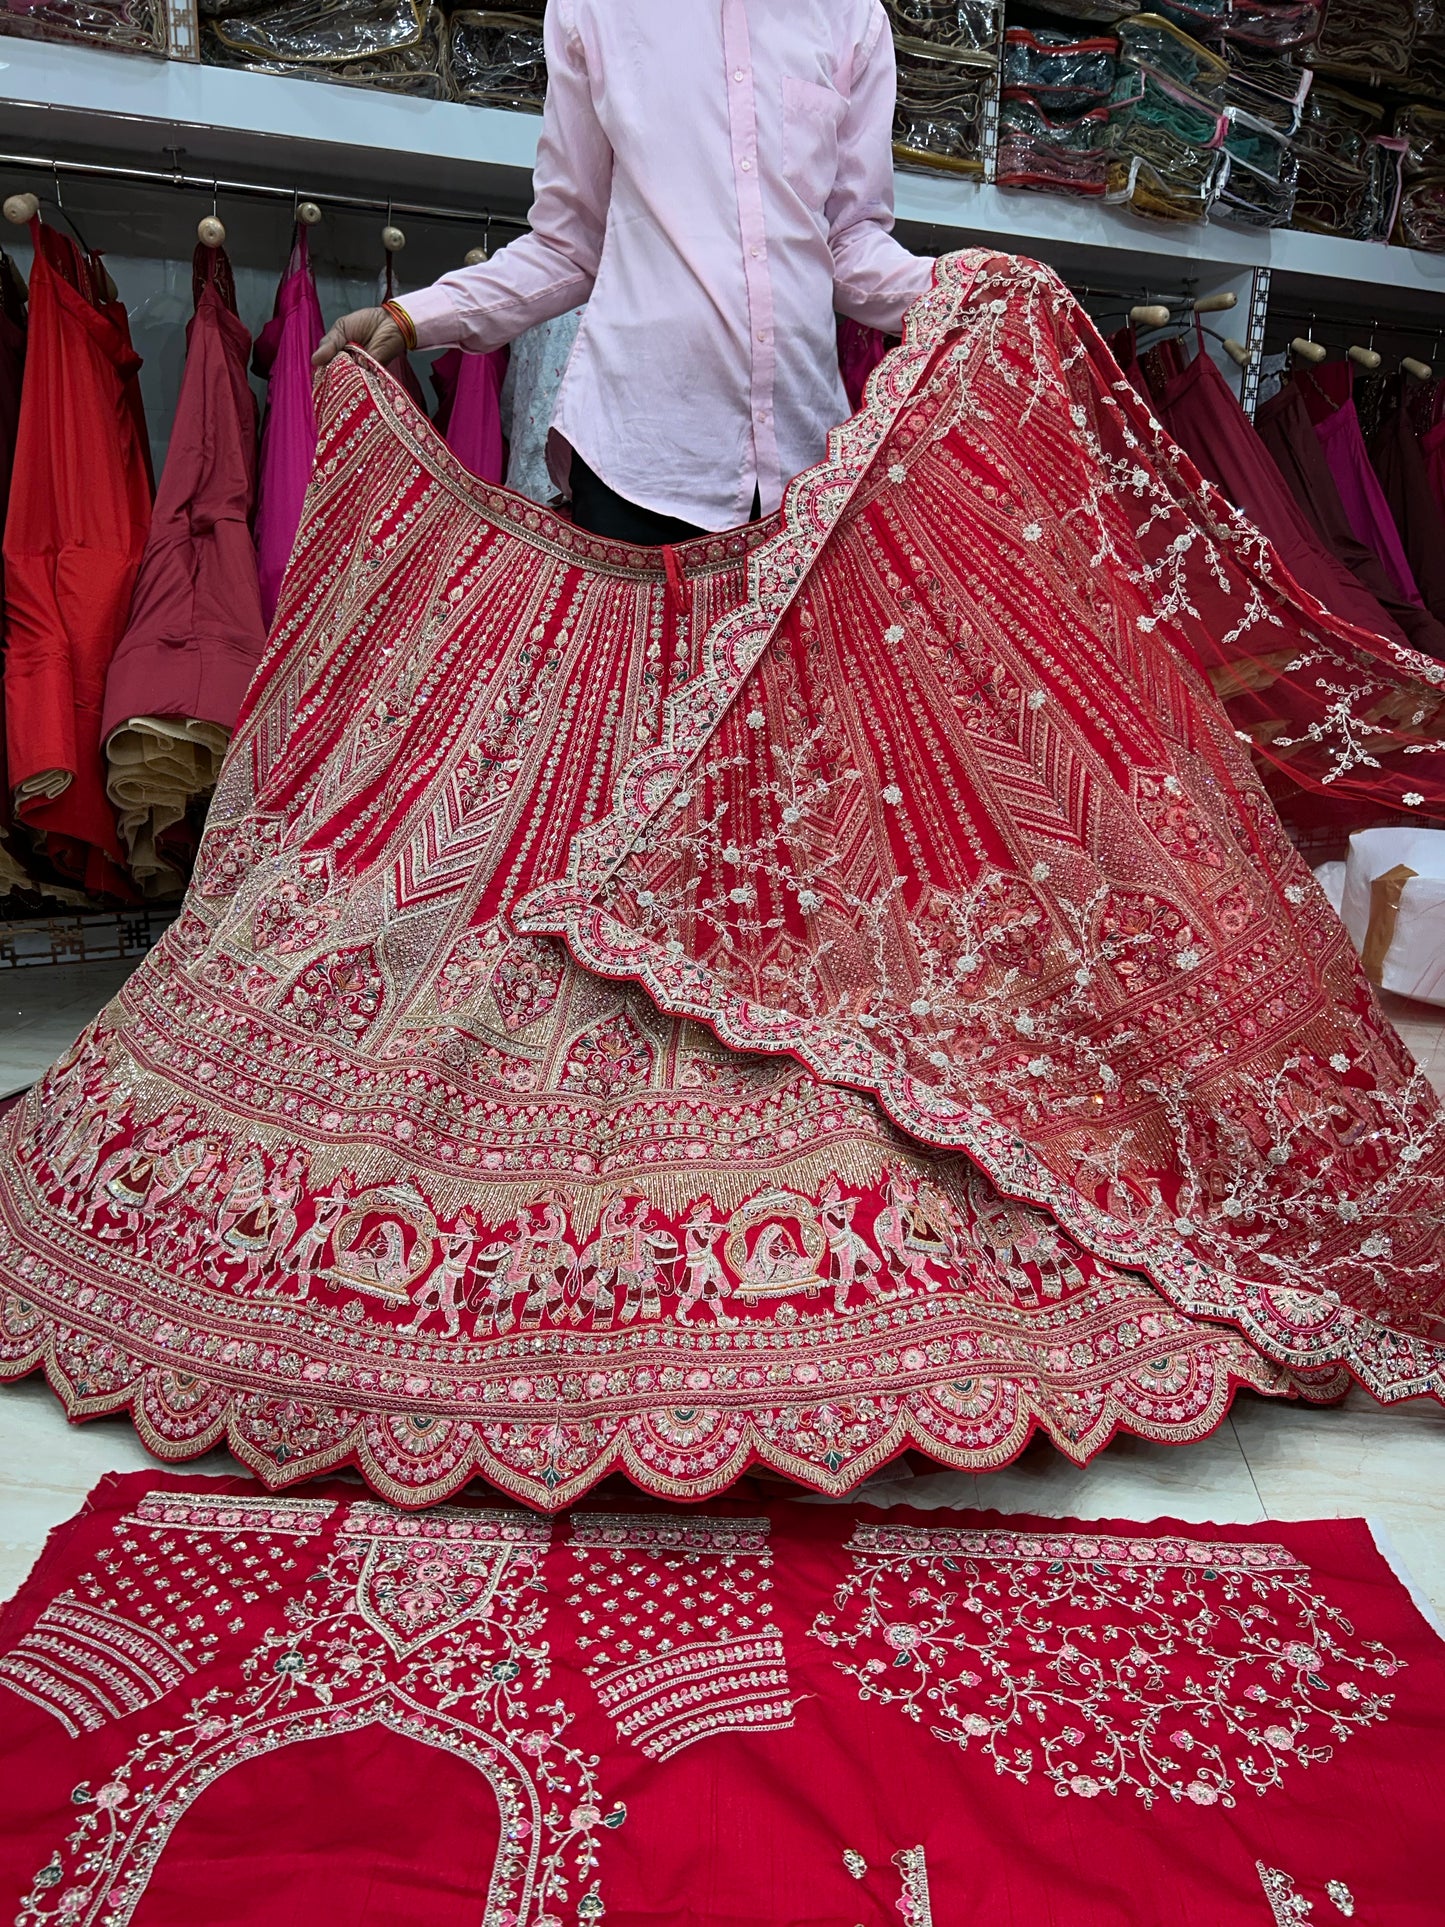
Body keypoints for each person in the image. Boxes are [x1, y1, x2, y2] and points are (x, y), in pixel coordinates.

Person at [311, 0, 932, 544]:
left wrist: (971, 290)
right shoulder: (596, 10)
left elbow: (849, 246)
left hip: (805, 473)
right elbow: (567, 246)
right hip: (638, 469)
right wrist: (416, 315)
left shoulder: (853, 17)